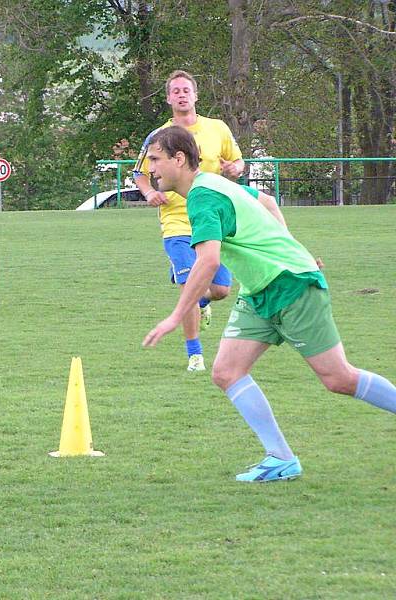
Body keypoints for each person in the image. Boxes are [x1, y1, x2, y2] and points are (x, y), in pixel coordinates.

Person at [142, 126, 396, 482]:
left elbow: (209, 261)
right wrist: (292, 245)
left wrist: (175, 316)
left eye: (155, 159)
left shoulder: (203, 197)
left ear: (179, 159)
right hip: (260, 291)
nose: (150, 169)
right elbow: (264, 201)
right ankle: (281, 459)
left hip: (292, 286)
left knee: (338, 378)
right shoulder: (214, 185)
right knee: (226, 372)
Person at [134, 70, 244, 372]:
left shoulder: (217, 129)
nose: (182, 95)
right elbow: (139, 172)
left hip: (211, 219)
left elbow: (238, 161)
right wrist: (148, 193)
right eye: (176, 91)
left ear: (195, 95)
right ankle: (195, 355)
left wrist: (234, 168)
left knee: (220, 290)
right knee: (188, 287)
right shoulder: (158, 137)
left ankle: (200, 304)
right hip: (176, 222)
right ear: (169, 98)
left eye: (186, 90)